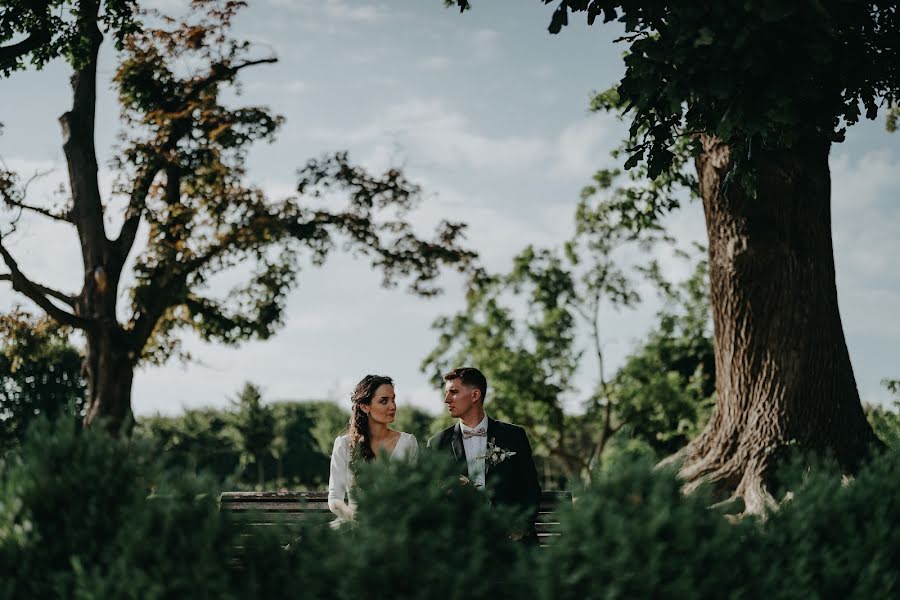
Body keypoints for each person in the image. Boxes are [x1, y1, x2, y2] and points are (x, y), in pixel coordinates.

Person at [427, 367, 541, 543]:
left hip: (511, 541)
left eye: (454, 392)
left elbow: (530, 489)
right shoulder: (437, 444)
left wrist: (519, 528)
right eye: (446, 393)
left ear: (475, 395)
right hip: (462, 542)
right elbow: (432, 499)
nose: (446, 399)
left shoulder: (514, 436)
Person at [327, 374, 418, 524]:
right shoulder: (343, 445)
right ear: (364, 406)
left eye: (393, 399)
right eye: (384, 401)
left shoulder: (408, 442)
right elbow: (335, 498)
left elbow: (413, 493)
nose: (393, 406)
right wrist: (353, 516)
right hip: (354, 526)